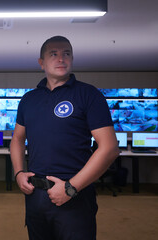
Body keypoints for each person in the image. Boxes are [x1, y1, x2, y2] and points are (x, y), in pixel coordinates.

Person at [10, 36, 120, 240]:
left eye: (66, 53)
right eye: (54, 54)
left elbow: (110, 148)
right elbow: (17, 139)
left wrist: (71, 188)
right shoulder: (28, 99)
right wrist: (18, 173)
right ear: (41, 62)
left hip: (74, 195)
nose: (61, 59)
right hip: (36, 196)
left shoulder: (88, 94)